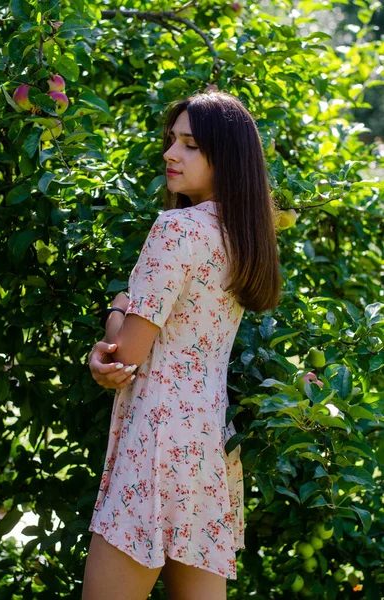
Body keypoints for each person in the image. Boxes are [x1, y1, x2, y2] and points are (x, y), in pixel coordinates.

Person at [82, 90, 281, 600]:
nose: (171, 154)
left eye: (190, 144)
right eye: (172, 140)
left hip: (155, 439)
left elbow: (125, 355)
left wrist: (116, 314)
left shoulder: (175, 230)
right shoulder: (246, 241)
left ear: (226, 157)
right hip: (210, 445)